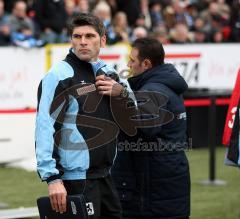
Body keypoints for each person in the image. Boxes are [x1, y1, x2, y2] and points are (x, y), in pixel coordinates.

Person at [35, 13, 132, 219]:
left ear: (103, 40)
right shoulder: (59, 75)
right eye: (77, 37)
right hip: (74, 181)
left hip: (106, 176)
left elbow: (134, 119)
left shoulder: (111, 73)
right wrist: (53, 179)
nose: (83, 42)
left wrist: (121, 94)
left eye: (89, 36)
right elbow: (44, 127)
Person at [111, 38, 191, 219]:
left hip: (155, 184)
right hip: (169, 176)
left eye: (132, 60)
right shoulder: (166, 84)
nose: (128, 64)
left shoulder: (153, 90)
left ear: (146, 64)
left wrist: (121, 95)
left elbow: (145, 129)